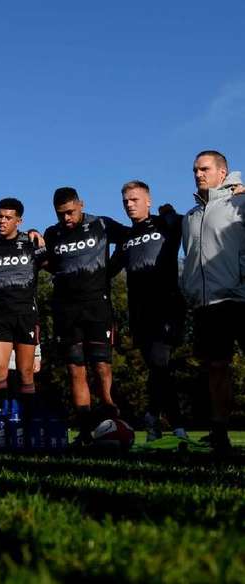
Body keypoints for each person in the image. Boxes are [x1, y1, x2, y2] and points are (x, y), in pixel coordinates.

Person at [43, 187, 128, 446]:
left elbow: (128, 238)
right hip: (66, 310)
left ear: (81, 204)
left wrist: (109, 270)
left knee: (102, 365)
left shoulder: (101, 224)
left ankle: (111, 418)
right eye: (61, 215)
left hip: (97, 307)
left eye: (70, 212)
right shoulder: (52, 233)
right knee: (75, 368)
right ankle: (85, 428)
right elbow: (51, 264)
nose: (66, 218)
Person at [110, 181, 188, 441]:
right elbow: (108, 272)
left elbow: (182, 223)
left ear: (148, 200)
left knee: (160, 362)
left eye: (134, 200)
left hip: (166, 306)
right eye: (125, 202)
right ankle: (155, 422)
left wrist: (168, 213)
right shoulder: (126, 238)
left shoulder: (165, 224)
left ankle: (173, 426)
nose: (129, 205)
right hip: (138, 312)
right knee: (157, 368)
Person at [180, 151, 244, 453]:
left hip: (239, 299)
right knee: (216, 368)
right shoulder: (190, 217)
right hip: (207, 305)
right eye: (195, 170)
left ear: (223, 172)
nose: (198, 174)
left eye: (204, 169)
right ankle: (219, 433)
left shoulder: (239, 203)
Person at [0, 198, 45, 424]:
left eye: (8, 217)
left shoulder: (31, 243)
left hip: (26, 315)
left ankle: (28, 424)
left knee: (26, 373)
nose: (2, 221)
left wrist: (37, 234)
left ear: (19, 221)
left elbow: (56, 264)